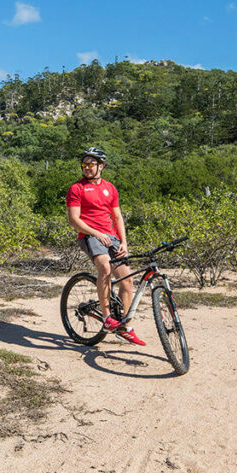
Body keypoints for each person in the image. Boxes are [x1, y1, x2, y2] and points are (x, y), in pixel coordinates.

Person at [65, 147, 145, 346]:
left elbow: (117, 216)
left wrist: (124, 242)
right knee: (105, 267)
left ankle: (125, 326)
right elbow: (74, 220)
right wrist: (97, 233)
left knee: (127, 280)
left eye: (91, 164)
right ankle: (108, 318)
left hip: (111, 237)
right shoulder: (77, 188)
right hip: (90, 235)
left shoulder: (110, 187)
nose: (87, 168)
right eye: (84, 164)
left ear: (101, 165)